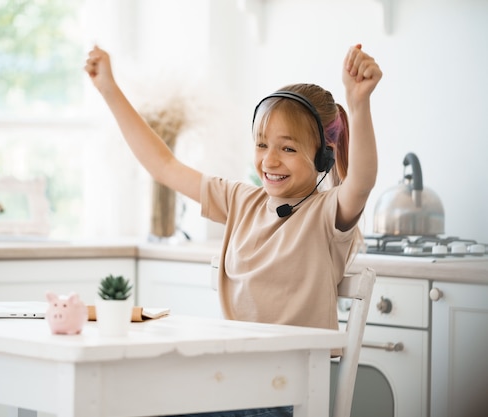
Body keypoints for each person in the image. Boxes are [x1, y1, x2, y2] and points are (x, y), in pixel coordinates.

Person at [85, 44, 382, 417]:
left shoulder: (328, 211)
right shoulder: (241, 201)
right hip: (235, 380)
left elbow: (362, 180)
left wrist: (360, 103)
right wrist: (109, 90)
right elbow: (163, 165)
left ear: (323, 154)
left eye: (288, 149)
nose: (269, 160)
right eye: (261, 145)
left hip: (290, 392)